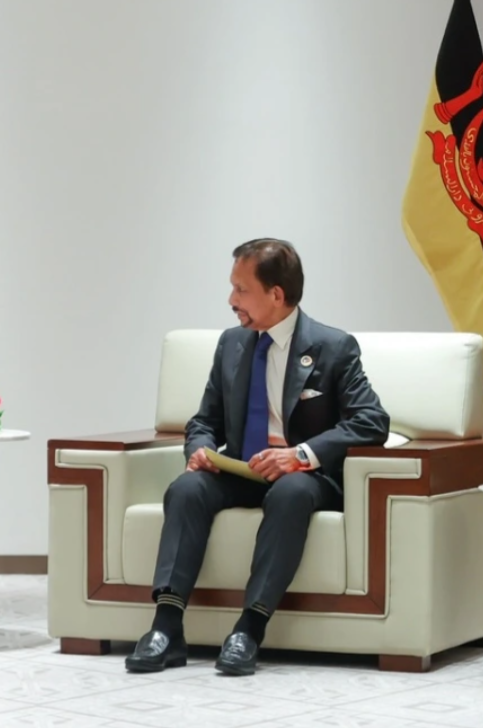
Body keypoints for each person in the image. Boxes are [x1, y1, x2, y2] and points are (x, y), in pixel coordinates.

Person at [126, 238, 389, 676]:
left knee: (290, 493)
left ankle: (249, 627)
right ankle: (166, 627)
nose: (231, 300)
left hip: (302, 477)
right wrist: (199, 450)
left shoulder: (334, 346)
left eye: (241, 290)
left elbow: (372, 421)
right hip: (240, 468)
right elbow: (204, 420)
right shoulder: (232, 344)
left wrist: (299, 455)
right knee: (187, 488)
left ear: (276, 294)